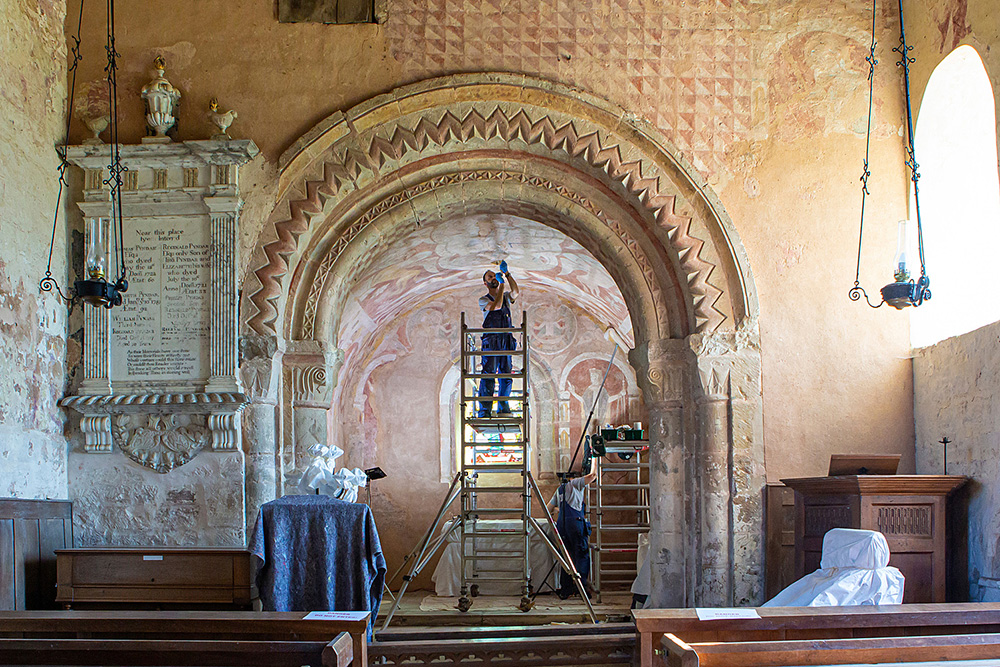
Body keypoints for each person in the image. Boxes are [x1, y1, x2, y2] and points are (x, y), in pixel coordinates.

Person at [548, 461, 598, 598]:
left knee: (566, 558)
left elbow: (548, 509)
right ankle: (581, 589)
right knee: (581, 556)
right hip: (575, 524)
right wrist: (595, 459)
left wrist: (560, 510)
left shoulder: (559, 490)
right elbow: (592, 476)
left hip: (562, 526)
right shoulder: (575, 483)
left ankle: (566, 590)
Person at [477, 261, 519, 418]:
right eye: (490, 277)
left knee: (506, 375)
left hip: (505, 339)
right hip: (492, 340)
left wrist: (507, 274)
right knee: (489, 375)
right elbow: (497, 306)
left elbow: (515, 292)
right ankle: (484, 411)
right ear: (485, 283)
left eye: (494, 275)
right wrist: (501, 285)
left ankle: (504, 408)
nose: (493, 278)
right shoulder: (483, 300)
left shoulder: (506, 296)